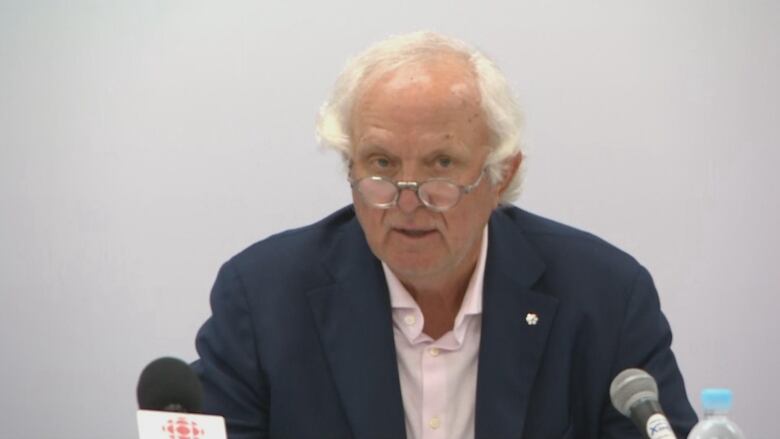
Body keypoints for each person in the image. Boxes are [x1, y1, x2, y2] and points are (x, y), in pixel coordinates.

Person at [192, 31, 697, 439]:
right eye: (382, 164)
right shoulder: (261, 300)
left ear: (501, 174)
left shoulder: (605, 297)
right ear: (351, 167)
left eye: (442, 165)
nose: (407, 201)